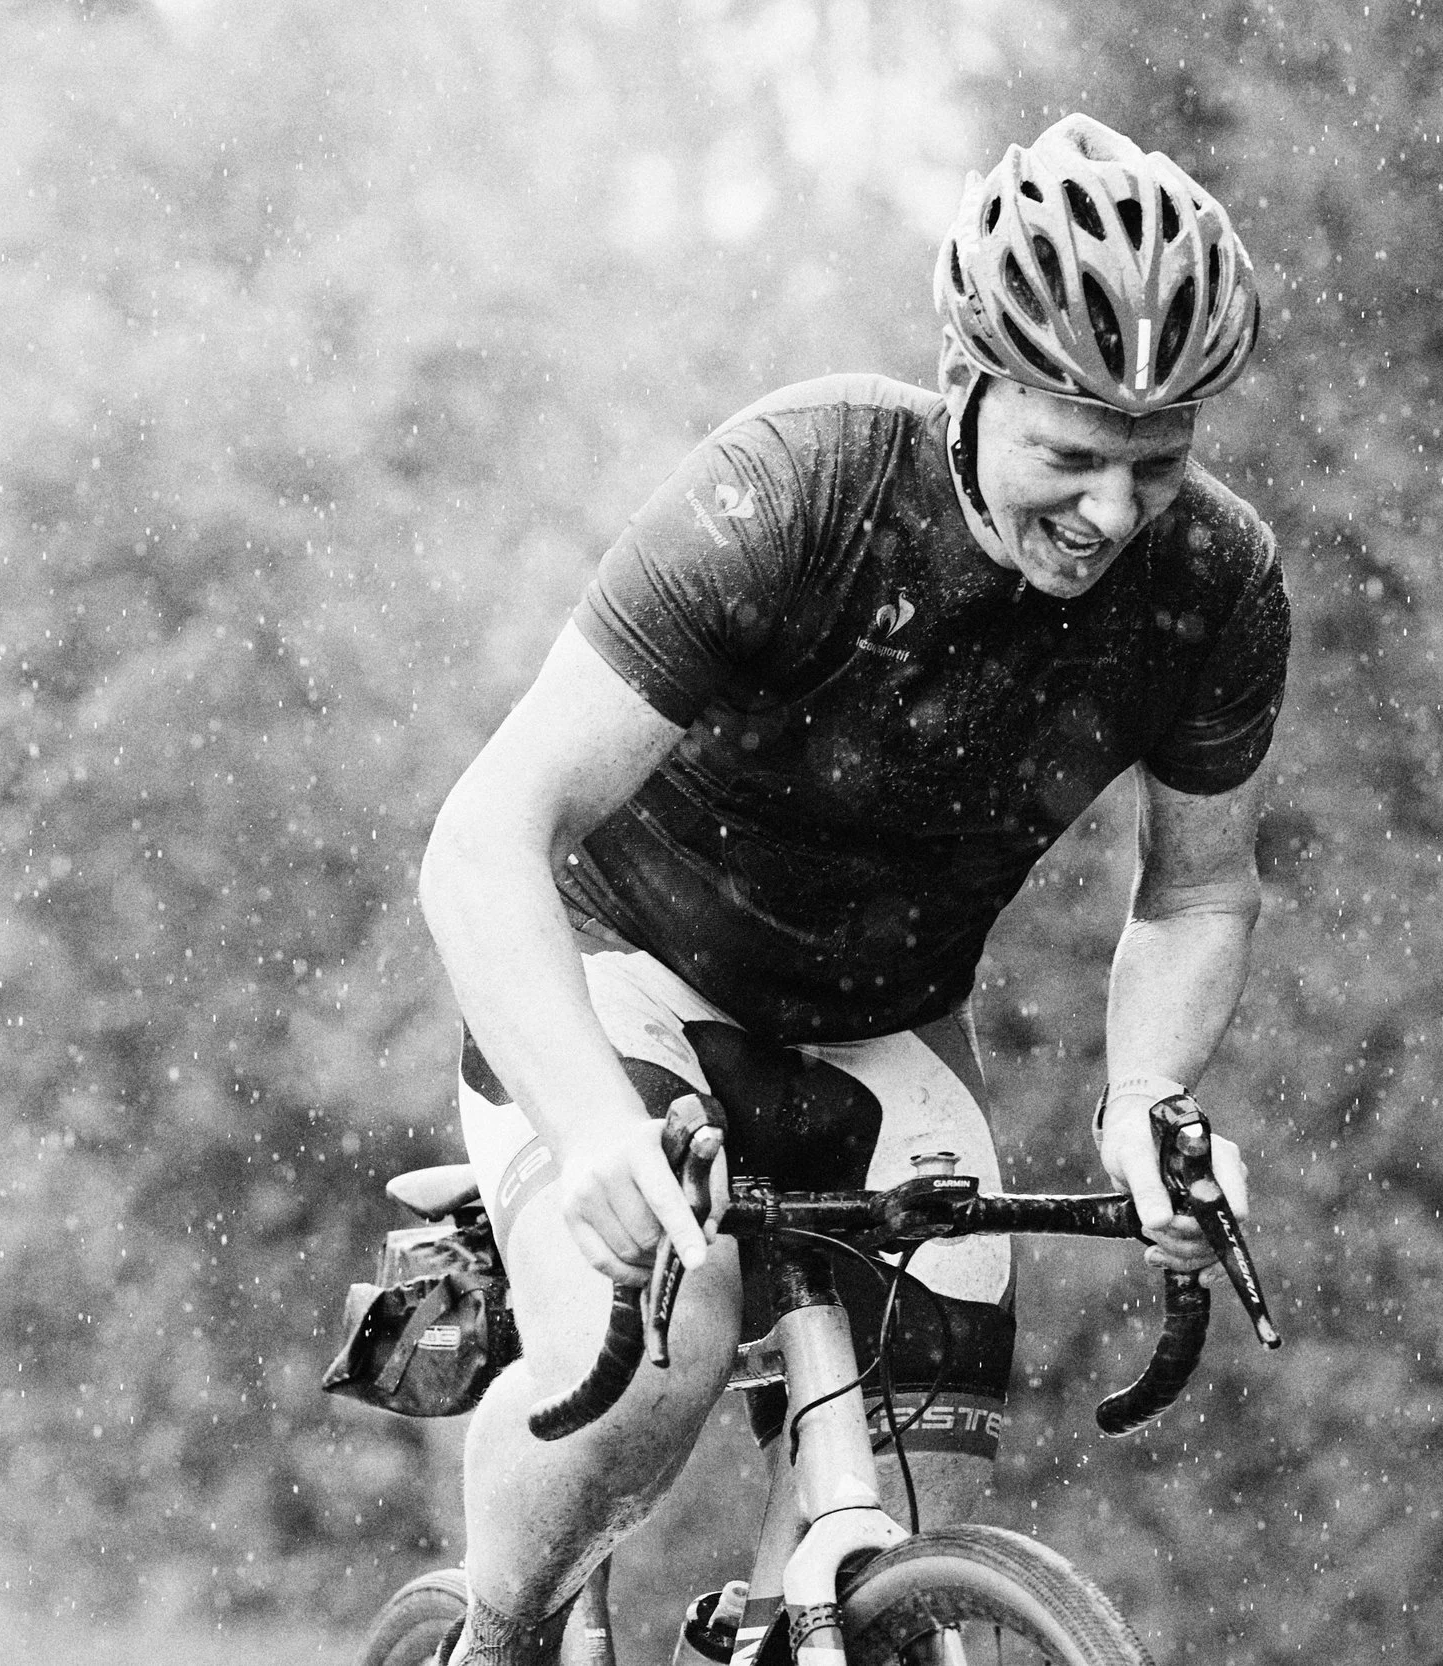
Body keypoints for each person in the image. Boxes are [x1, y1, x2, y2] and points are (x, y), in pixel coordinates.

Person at [419, 112, 1284, 1665]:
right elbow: (485, 836)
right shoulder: (799, 489)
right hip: (624, 979)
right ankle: (492, 1637)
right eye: (1069, 454)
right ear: (968, 381)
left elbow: (1199, 894)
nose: (1110, 511)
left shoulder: (1216, 586)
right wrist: (592, 1123)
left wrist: (1148, 1095)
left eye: (1154, 463)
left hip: (879, 1037)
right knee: (657, 1356)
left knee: (915, 1530)